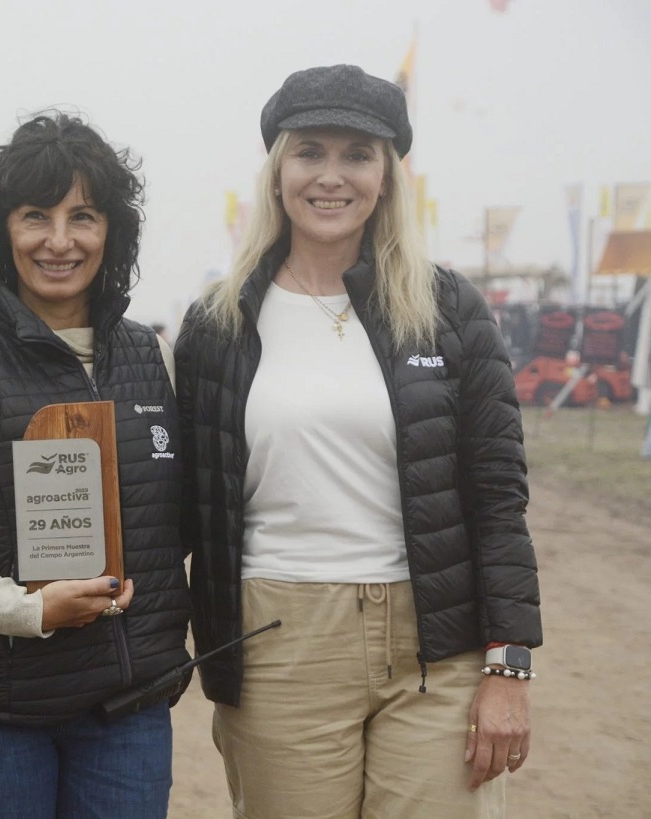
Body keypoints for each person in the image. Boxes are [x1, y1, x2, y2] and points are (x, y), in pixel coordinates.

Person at [175, 64, 543, 818]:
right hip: (278, 638)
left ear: (387, 175)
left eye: (357, 154)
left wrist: (508, 664)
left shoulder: (447, 309)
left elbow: (496, 496)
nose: (330, 176)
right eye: (309, 151)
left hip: (437, 643)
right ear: (277, 169)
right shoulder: (217, 324)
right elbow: (187, 500)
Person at [0, 113, 191, 819]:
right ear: (2, 231)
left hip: (127, 708)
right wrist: (28, 610)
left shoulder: (152, 357)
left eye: (82, 215)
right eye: (34, 217)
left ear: (112, 231)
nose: (59, 240)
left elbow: (175, 520)